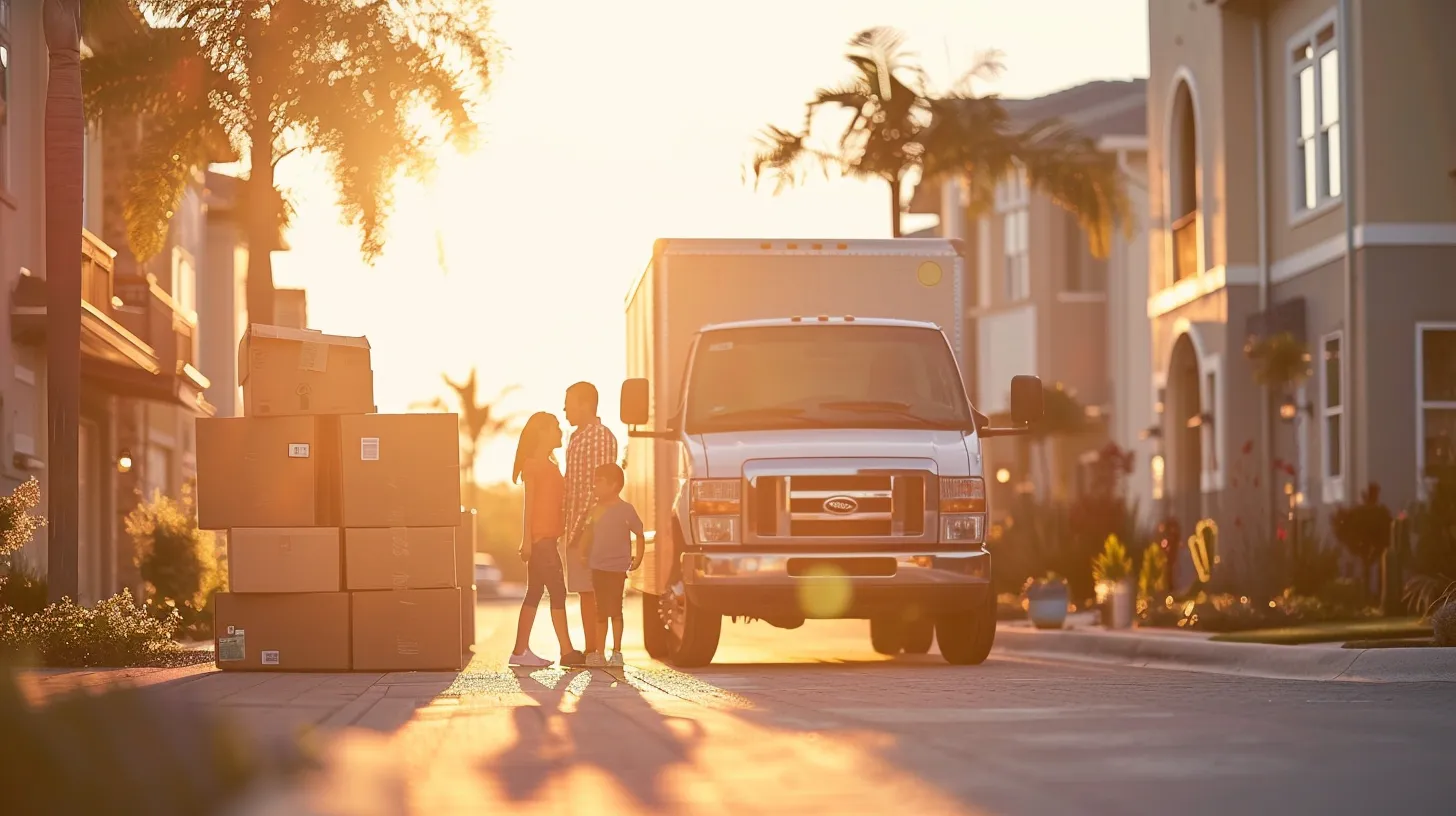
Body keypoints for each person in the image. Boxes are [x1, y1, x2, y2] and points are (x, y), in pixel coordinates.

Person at [508, 412, 585, 668]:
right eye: (554, 427)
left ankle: (520, 652)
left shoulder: (550, 464)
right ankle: (566, 651)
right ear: (541, 432)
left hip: (547, 539)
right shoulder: (534, 465)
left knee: (535, 592)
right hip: (540, 540)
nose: (559, 430)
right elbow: (528, 504)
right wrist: (526, 540)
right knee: (557, 591)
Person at [562, 382, 619, 665]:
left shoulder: (599, 438)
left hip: (590, 528)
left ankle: (597, 650)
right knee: (586, 591)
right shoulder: (577, 437)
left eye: (569, 403)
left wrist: (589, 529)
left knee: (596, 591)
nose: (564, 409)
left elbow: (601, 488)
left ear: (585, 404)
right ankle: (591, 650)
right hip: (575, 526)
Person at [579, 463, 644, 667]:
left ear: (614, 485)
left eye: (599, 482)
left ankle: (617, 651)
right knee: (600, 611)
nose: (594, 487)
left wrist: (638, 558)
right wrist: (583, 552)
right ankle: (599, 653)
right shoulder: (595, 510)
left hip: (617, 569)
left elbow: (640, 534)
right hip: (598, 567)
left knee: (616, 610)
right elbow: (588, 532)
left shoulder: (626, 510)